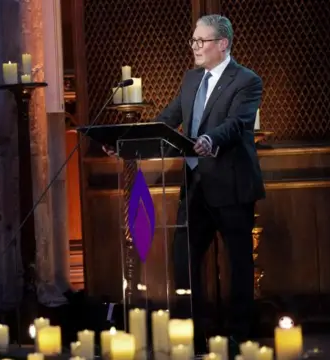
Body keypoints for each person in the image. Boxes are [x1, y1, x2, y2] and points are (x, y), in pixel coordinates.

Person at [105, 14, 264, 356]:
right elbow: (167, 120)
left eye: (201, 41)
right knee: (184, 261)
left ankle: (239, 336)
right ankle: (193, 336)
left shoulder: (247, 80)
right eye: (193, 41)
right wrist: (127, 142)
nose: (195, 47)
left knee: (239, 265)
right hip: (194, 188)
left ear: (222, 44)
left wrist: (209, 138)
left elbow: (237, 124)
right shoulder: (191, 79)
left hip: (232, 186)